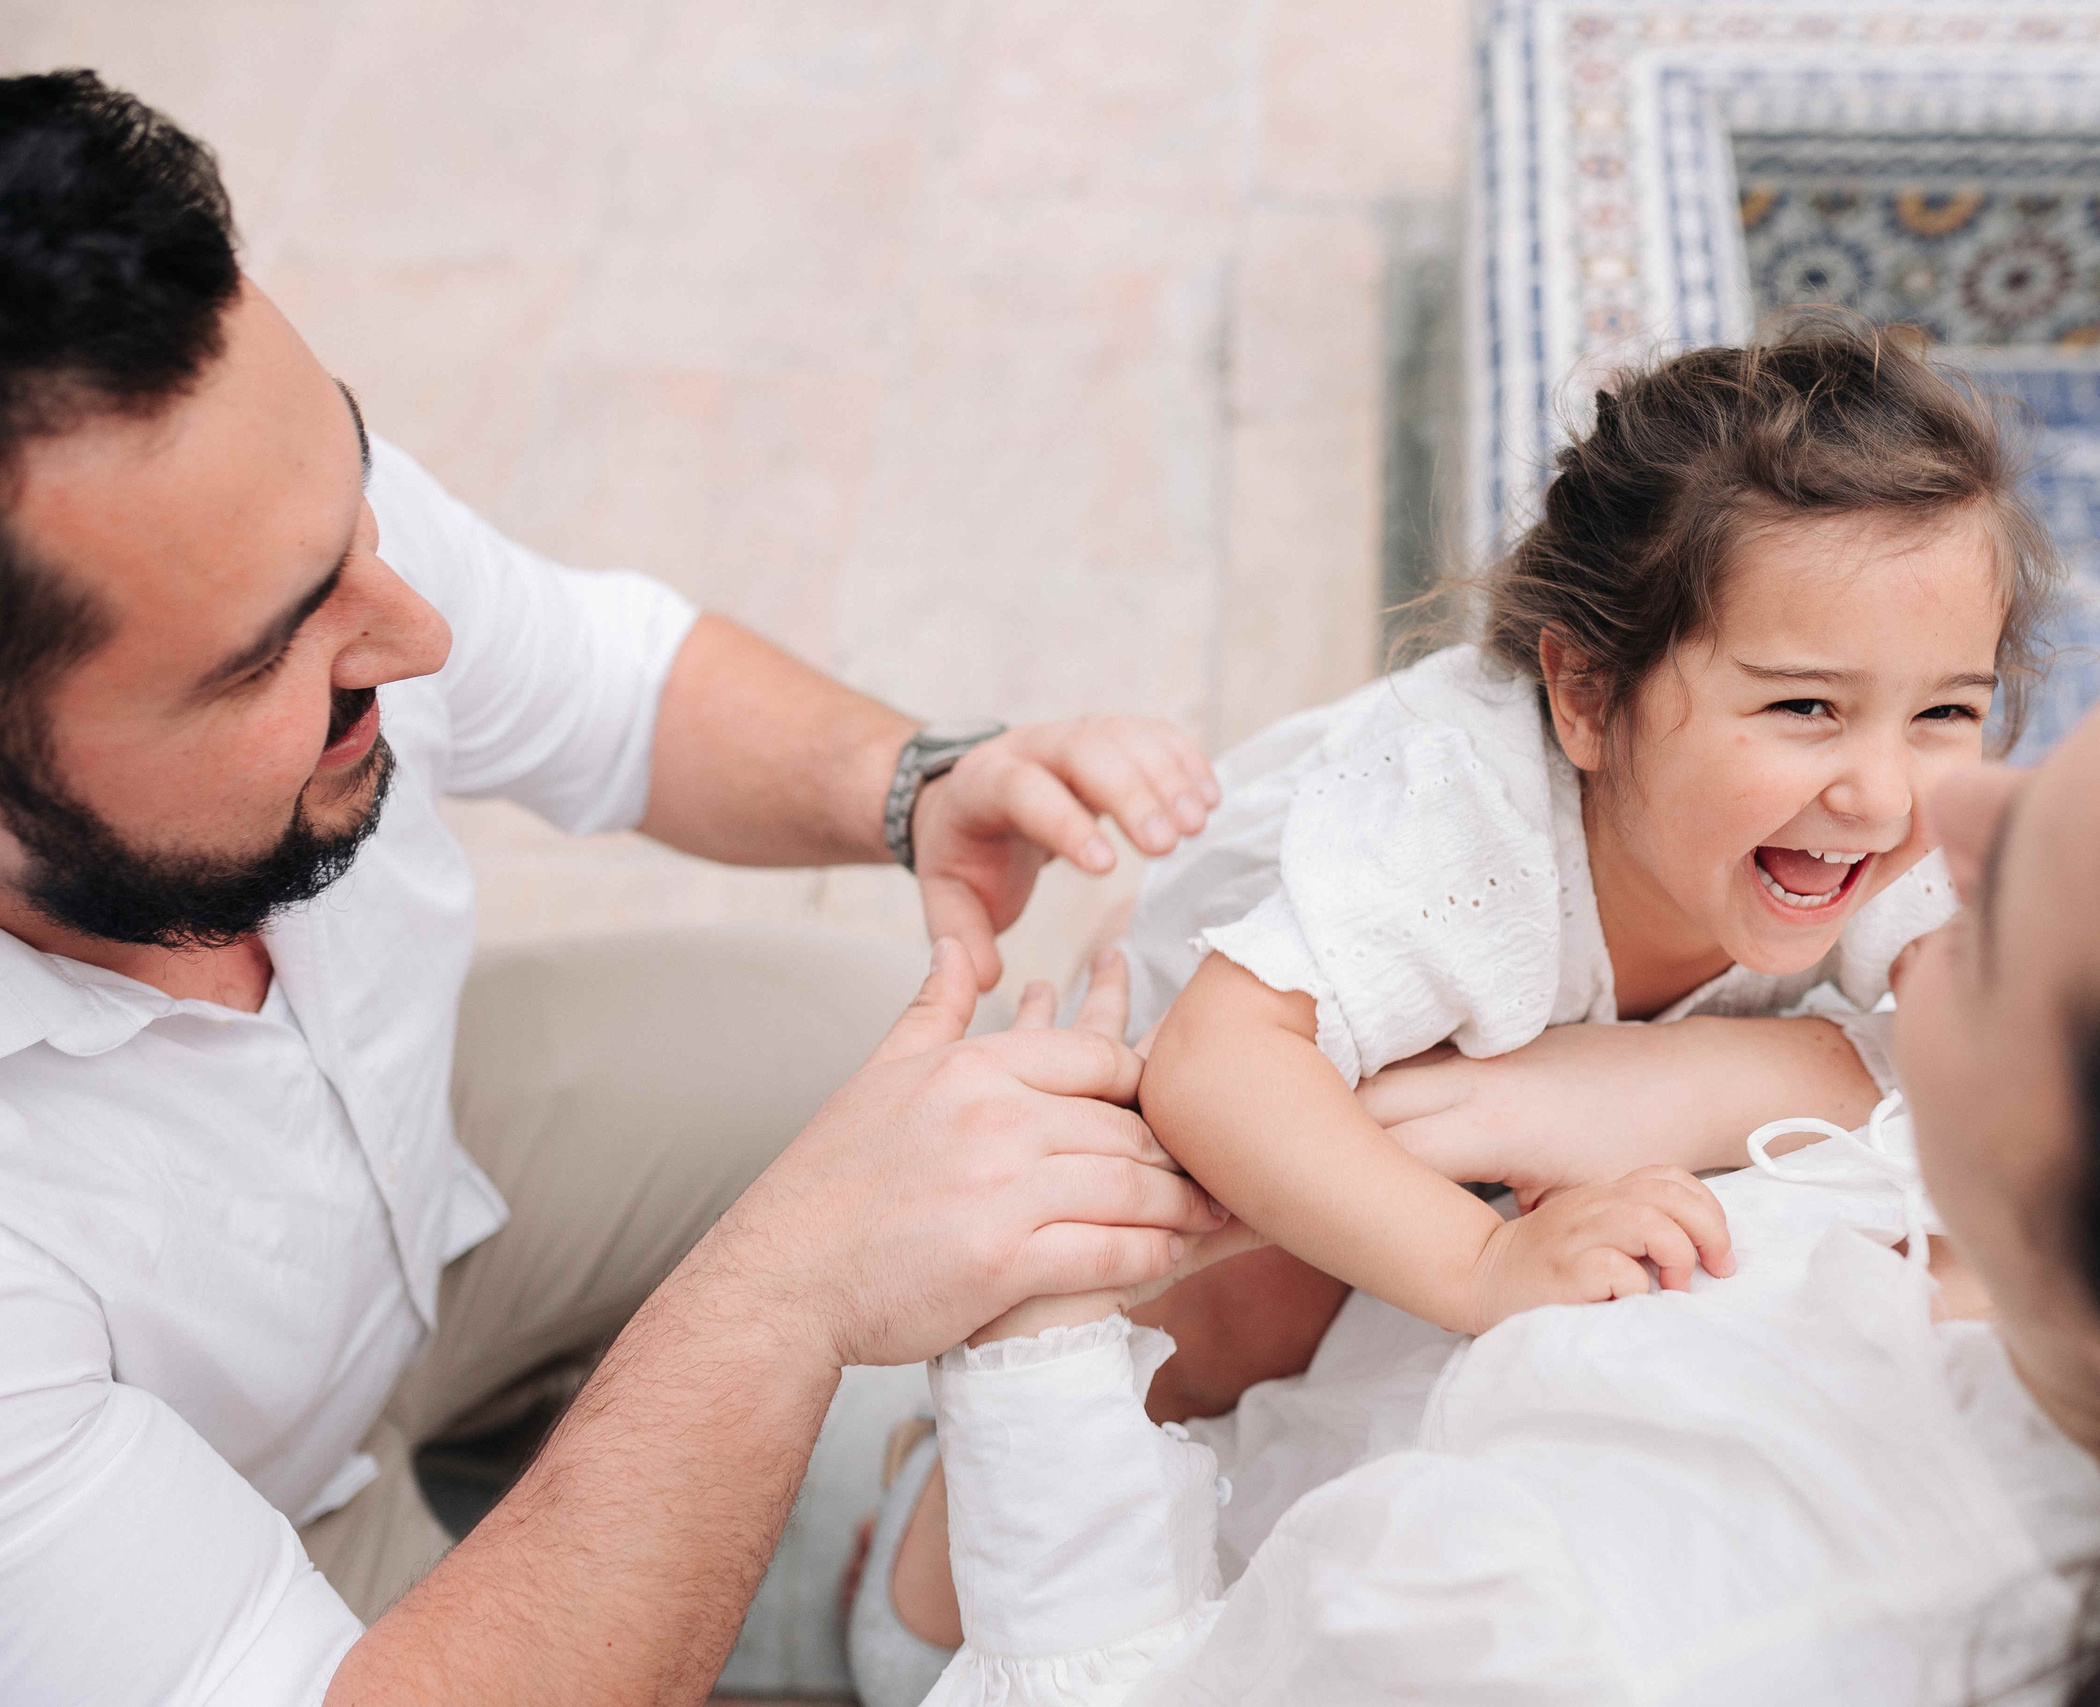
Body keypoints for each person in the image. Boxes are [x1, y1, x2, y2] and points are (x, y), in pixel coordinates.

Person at [869, 507, 2100, 1701]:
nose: (1945, 816)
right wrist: (1734, 1070)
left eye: (2036, 884)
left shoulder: (1562, 1627)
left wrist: (1038, 1340)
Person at [0, 71, 1232, 1705]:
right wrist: (784, 1286)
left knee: (918, 1060)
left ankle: (664, 1467)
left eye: (358, 507)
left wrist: (915, 781)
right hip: (234, 1550)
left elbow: (603, 680)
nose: (415, 632)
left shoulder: (257, 517)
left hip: (424, 1186)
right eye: (269, 659)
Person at [1124, 319, 2059, 1340]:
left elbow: (2028, 1046)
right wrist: (1482, 1264)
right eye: (1804, 706)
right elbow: (1210, 1059)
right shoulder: (1466, 833)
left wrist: (1723, 1071)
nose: (1882, 798)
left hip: (1499, 1069)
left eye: (1945, 711)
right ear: (1586, 695)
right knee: (1252, 1312)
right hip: (1224, 1001)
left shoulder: (1896, 825)